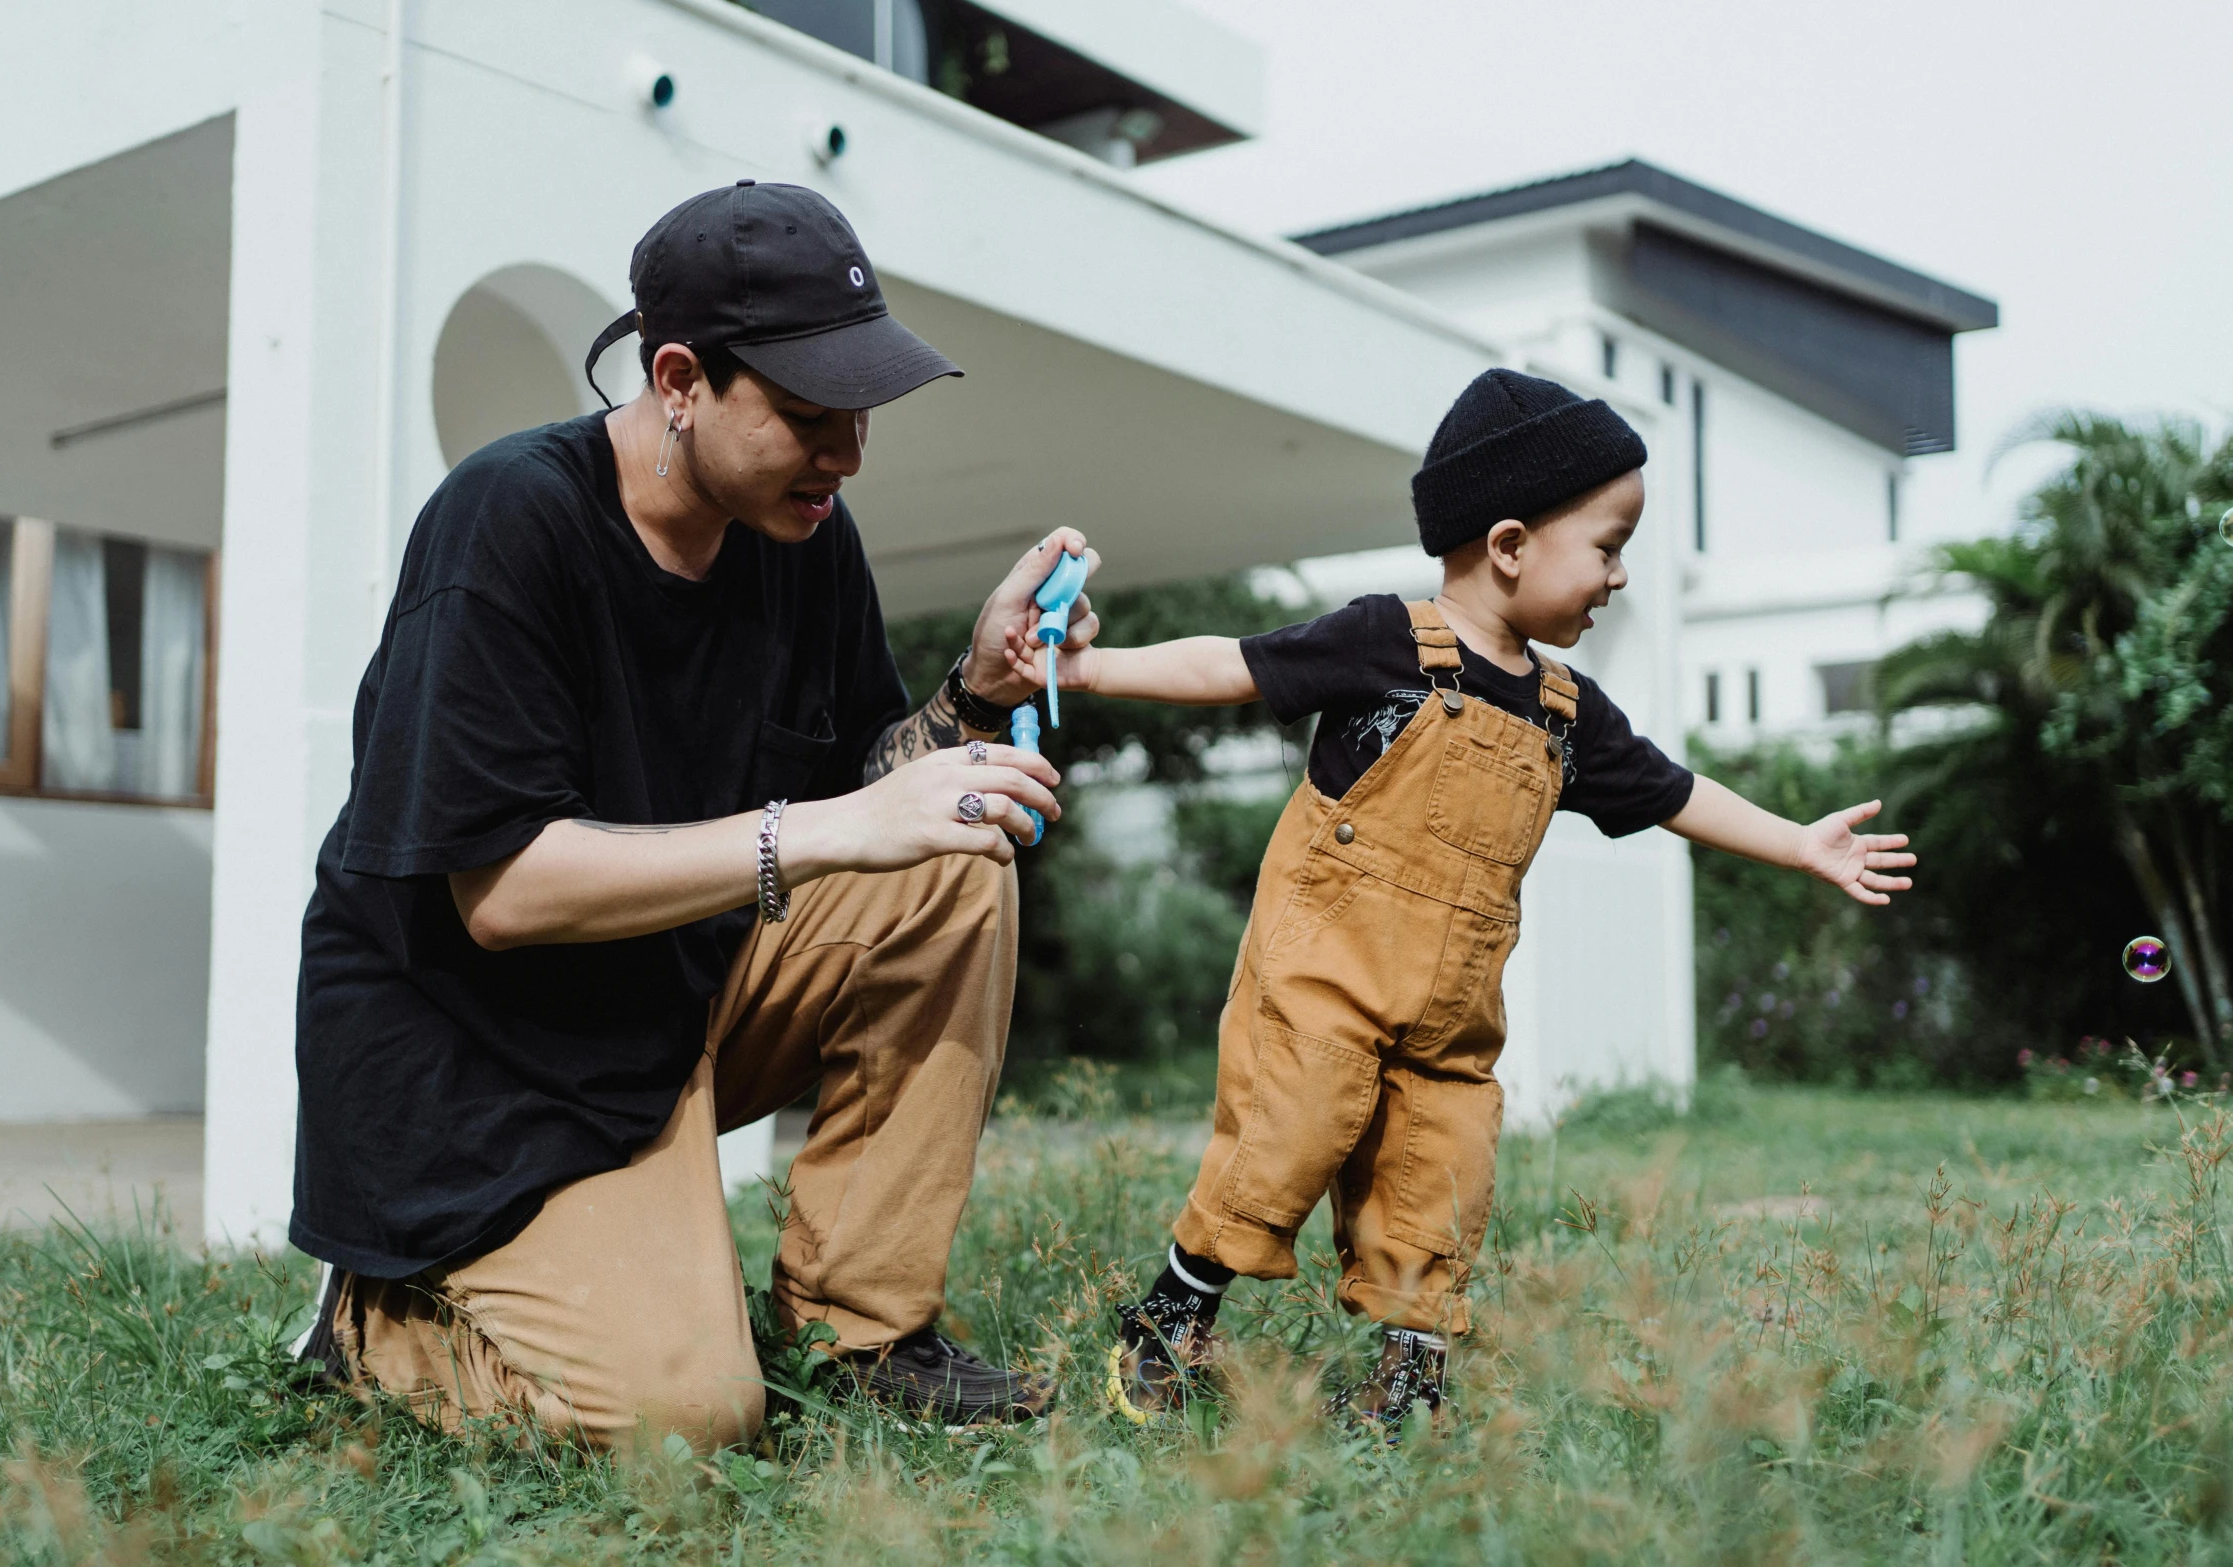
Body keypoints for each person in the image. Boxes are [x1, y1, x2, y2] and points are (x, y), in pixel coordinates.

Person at [286, 181, 1098, 1451]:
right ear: (679, 378)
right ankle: (377, 1318)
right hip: (476, 1056)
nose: (845, 455)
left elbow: (869, 782)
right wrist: (817, 833)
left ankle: (863, 1330)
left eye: (860, 417)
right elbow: (500, 894)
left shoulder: (805, 534)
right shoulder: (508, 523)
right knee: (686, 1419)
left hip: (671, 995)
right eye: (807, 416)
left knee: (955, 862)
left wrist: (971, 698)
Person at [1006, 369, 1916, 1427]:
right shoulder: (1384, 641)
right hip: (1326, 972)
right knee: (1285, 1137)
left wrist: (1798, 842)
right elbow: (1236, 666)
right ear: (1511, 544)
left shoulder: (1568, 711)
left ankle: (1407, 1374)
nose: (1619, 576)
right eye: (1609, 545)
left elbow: (1673, 791)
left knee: (1441, 1174)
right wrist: (1094, 666)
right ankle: (1173, 1315)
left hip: (1450, 1010)